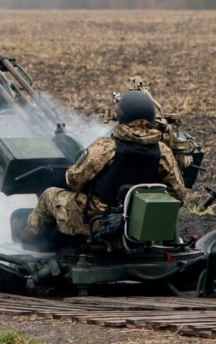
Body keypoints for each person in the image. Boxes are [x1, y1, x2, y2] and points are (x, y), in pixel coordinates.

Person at [21, 89, 187, 241]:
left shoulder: (106, 147)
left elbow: (74, 180)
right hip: (140, 226)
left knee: (49, 195)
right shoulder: (163, 152)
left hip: (98, 221)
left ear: (121, 116)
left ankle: (30, 241)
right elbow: (178, 194)